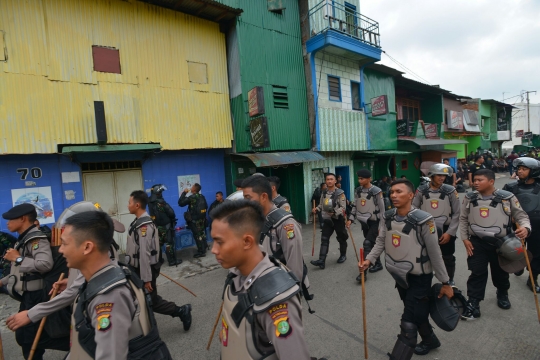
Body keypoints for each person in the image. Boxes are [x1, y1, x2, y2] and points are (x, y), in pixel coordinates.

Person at [359, 179, 454, 359]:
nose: (393, 195)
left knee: (408, 323)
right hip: (399, 275)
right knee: (416, 312)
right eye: (392, 192)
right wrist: (369, 260)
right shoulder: (387, 217)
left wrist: (445, 282)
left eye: (399, 192)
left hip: (420, 278)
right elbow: (381, 242)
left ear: (411, 195)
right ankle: (430, 340)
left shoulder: (424, 221)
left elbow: (435, 254)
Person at [59, 210, 172, 359]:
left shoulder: (109, 296)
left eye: (64, 243)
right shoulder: (106, 275)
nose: (60, 250)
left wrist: (147, 277)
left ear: (87, 247)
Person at [5, 201, 125, 338]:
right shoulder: (95, 249)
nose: (61, 249)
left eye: (66, 243)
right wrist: (70, 281)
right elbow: (86, 279)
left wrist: (31, 313)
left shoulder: (101, 251)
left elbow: (74, 291)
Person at [210, 200, 312, 360]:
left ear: (247, 241)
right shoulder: (236, 276)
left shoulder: (276, 299)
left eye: (220, 242)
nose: (213, 250)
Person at [460, 169, 531, 320]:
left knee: (500, 272)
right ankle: (474, 302)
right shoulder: (469, 197)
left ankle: (502, 293)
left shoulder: (507, 197)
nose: (475, 183)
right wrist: (465, 238)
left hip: (501, 243)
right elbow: (463, 218)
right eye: (475, 180)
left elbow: (521, 215)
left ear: (491, 182)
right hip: (476, 243)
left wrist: (525, 228)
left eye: (480, 180)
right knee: (477, 272)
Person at [126, 190, 192, 330]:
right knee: (143, 299)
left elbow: (144, 253)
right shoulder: (138, 222)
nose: (128, 205)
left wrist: (146, 278)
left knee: (151, 300)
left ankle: (181, 311)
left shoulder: (144, 226)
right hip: (138, 269)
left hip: (144, 270)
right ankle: (147, 324)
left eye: (129, 202)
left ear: (137, 205)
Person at [242, 176, 311, 303]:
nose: (245, 202)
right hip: (261, 286)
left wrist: (291, 296)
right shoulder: (256, 219)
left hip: (280, 290)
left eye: (248, 198)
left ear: (263, 196)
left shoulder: (286, 224)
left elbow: (295, 265)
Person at [0, 203, 55, 359]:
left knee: (30, 339)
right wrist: (3, 281)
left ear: (23, 219)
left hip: (37, 296)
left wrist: (17, 258)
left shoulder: (36, 239)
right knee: (23, 336)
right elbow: (20, 269)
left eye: (10, 219)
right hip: (28, 296)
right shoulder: (23, 239)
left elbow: (45, 264)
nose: (7, 223)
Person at [412, 164, 461, 286]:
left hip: (445, 229)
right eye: (439, 175)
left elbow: (456, 214)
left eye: (444, 176)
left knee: (447, 257)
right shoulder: (421, 190)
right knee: (424, 256)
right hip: (426, 229)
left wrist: (450, 233)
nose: (442, 178)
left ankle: (449, 280)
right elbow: (413, 209)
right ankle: (424, 282)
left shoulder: (450, 191)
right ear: (431, 176)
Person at [503, 158, 540, 292]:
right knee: (517, 250)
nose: (520, 171)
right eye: (519, 169)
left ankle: (532, 278)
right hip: (517, 226)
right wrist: (509, 214)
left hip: (537, 226)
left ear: (533, 171)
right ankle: (519, 266)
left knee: (536, 254)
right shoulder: (510, 187)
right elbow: (503, 205)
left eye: (524, 169)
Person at [346, 169, 385, 282]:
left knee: (367, 244)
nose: (359, 180)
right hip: (364, 222)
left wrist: (381, 227)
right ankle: (378, 264)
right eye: (358, 178)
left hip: (374, 222)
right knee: (372, 244)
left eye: (362, 178)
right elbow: (355, 206)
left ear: (369, 179)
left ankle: (363, 273)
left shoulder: (376, 191)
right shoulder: (358, 190)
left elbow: (382, 210)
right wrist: (350, 219)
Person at [310, 173, 349, 269]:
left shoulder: (340, 193)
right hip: (327, 219)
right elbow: (321, 205)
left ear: (335, 181)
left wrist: (335, 212)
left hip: (338, 219)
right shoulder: (323, 193)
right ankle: (321, 261)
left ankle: (343, 255)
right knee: (324, 238)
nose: (329, 181)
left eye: (331, 179)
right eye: (327, 179)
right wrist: (316, 209)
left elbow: (343, 208)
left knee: (341, 238)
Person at [148, 184, 180, 266]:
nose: (162, 193)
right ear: (158, 193)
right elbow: (171, 213)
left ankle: (159, 260)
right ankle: (172, 261)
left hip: (156, 226)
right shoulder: (161, 202)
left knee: (158, 244)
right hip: (166, 226)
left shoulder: (150, 202)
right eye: (161, 192)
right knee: (169, 243)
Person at [178, 183, 209, 258]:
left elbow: (180, 203)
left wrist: (184, 193)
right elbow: (206, 206)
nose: (190, 188)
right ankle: (204, 247)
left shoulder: (192, 197)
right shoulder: (202, 196)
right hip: (202, 219)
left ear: (194, 189)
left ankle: (201, 252)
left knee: (197, 235)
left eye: (192, 187)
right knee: (201, 233)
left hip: (195, 220)